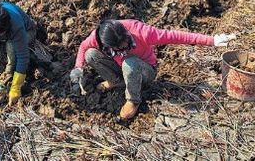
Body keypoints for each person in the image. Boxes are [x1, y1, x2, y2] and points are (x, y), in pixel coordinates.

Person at [69, 20, 236, 120]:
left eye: (125, 45)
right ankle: (115, 81)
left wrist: (212, 40)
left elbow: (176, 36)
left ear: (126, 34)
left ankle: (133, 99)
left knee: (130, 63)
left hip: (144, 71)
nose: (123, 49)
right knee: (91, 55)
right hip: (122, 68)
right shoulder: (99, 37)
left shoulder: (141, 31)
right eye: (117, 48)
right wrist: (78, 67)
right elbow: (83, 47)